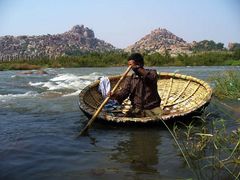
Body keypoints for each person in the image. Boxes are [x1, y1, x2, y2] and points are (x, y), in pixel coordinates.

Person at [110, 53, 162, 118]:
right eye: (129, 65)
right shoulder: (130, 79)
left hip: (153, 108)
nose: (130, 67)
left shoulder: (152, 73)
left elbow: (151, 78)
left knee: (161, 117)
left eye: (131, 65)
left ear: (139, 64)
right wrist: (115, 95)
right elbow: (123, 93)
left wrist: (137, 68)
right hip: (137, 109)